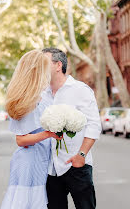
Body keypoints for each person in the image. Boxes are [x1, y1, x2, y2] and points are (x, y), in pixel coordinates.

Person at [41, 47, 101, 209]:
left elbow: (94, 125)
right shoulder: (42, 94)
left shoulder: (80, 90)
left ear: (58, 65)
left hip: (77, 165)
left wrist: (81, 155)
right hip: (51, 168)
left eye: (44, 63)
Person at [1, 50, 62, 209]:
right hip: (29, 162)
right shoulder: (27, 99)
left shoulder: (41, 96)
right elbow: (21, 140)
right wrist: (48, 134)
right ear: (37, 71)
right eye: (45, 67)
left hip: (40, 160)